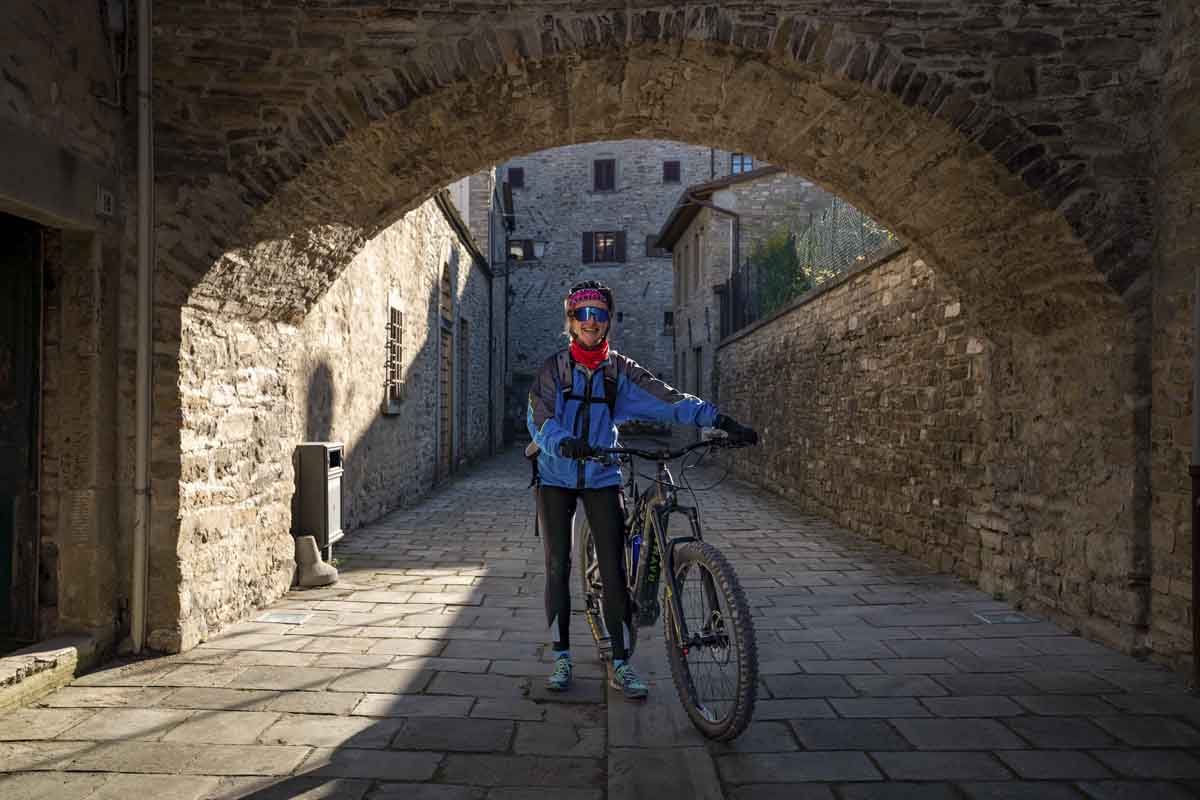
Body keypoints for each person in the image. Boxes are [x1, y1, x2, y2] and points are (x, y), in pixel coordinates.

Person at [526, 280, 758, 700]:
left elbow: (668, 399)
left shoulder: (620, 371)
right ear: (570, 320)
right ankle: (562, 656)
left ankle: (620, 662)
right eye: (582, 314)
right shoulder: (553, 370)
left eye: (598, 314)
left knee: (614, 570)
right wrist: (561, 441)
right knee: (558, 565)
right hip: (557, 475)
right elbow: (537, 417)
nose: (590, 322)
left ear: (608, 321)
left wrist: (720, 419)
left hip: (602, 474)